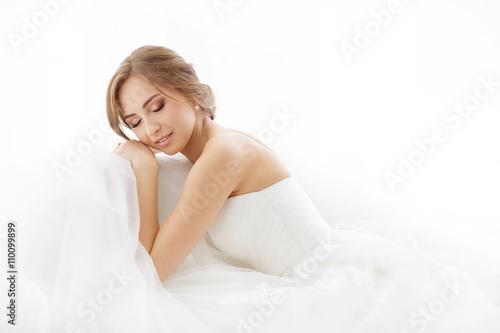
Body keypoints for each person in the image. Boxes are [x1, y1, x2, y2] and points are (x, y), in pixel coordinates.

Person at [14, 45, 500, 333]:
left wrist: (142, 168)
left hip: (343, 281)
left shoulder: (224, 155)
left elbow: (151, 268)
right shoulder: (202, 158)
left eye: (157, 106)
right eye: (134, 122)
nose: (149, 130)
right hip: (300, 279)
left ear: (188, 90)